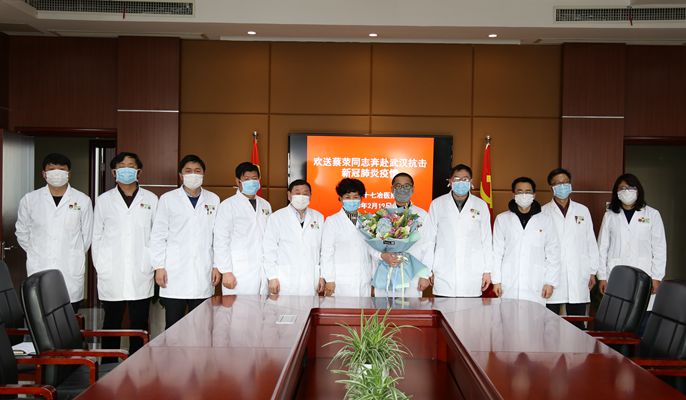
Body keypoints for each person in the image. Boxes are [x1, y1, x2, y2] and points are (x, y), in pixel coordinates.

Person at [92, 152, 157, 358]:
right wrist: (102, 265)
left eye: (131, 166)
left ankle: (138, 362)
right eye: (122, 166)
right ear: (114, 172)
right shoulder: (104, 200)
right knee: (112, 321)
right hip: (113, 269)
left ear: (139, 171)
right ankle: (108, 364)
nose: (126, 169)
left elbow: (157, 235)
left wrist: (154, 264)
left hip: (141, 269)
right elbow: (96, 235)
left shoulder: (151, 199)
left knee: (139, 322)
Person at [150, 155, 221, 329]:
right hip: (174, 273)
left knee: (202, 327)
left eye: (197, 171)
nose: (193, 174)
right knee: (173, 327)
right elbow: (158, 235)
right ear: (181, 175)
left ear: (203, 174)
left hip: (203, 272)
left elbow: (218, 237)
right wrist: (159, 267)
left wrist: (217, 266)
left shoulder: (213, 199)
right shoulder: (167, 199)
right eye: (188, 171)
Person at [16, 153, 93, 312]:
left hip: (70, 269)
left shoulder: (83, 200)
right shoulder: (30, 200)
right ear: (44, 174)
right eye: (51, 169)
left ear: (69, 173)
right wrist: (37, 251)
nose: (56, 173)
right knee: (40, 315)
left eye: (61, 169)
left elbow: (87, 236)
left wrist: (72, 251)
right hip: (39, 265)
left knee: (68, 316)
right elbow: (22, 233)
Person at [422, 164, 492, 297]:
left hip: (472, 274)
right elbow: (429, 240)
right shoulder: (437, 204)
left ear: (471, 182)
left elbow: (487, 240)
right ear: (450, 181)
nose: (461, 182)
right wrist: (427, 271)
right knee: (443, 308)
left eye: (465, 179)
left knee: (470, 310)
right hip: (443, 272)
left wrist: (487, 270)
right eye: (457, 179)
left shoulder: (480, 205)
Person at [597, 173, 666, 304]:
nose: (626, 191)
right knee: (617, 310)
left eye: (630, 188)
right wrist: (602, 277)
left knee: (641, 310)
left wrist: (657, 277)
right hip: (615, 274)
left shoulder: (652, 214)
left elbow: (659, 248)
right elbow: (602, 247)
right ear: (616, 192)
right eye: (622, 188)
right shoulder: (610, 216)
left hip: (644, 273)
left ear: (638, 190)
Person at [541, 168, 600, 322]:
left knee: (577, 322)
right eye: (558, 183)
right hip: (551, 275)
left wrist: (592, 271)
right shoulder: (542, 212)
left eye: (566, 182)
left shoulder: (582, 210)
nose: (563, 186)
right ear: (551, 187)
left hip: (578, 273)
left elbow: (590, 241)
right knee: (550, 323)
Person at [493, 177, 560, 305]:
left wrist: (550, 282)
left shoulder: (546, 220)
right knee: (508, 315)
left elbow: (553, 253)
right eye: (520, 191)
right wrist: (496, 281)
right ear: (513, 194)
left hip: (536, 283)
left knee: (535, 316)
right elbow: (497, 252)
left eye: (528, 192)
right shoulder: (502, 219)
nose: (524, 195)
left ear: (534, 195)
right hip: (509, 282)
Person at [214, 162, 272, 295]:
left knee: (262, 306)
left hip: (262, 269)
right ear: (238, 181)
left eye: (254, 178)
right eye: (246, 179)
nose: (251, 182)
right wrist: (226, 271)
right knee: (238, 307)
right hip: (238, 270)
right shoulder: (228, 205)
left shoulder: (265, 205)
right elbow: (221, 240)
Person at [262, 179, 325, 296]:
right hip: (284, 279)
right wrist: (272, 276)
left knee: (309, 306)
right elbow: (269, 249)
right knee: (285, 307)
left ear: (310, 196)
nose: (301, 196)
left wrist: (322, 276)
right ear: (289, 195)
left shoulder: (319, 217)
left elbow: (323, 250)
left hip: (310, 279)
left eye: (305, 193)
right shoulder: (277, 217)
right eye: (297, 193)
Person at [373, 172, 431, 298]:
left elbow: (429, 246)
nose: (402, 190)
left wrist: (425, 275)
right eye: (398, 186)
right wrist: (382, 256)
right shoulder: (382, 214)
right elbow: (371, 244)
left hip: (412, 274)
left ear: (413, 189)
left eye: (406, 186)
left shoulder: (422, 216)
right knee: (383, 308)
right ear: (392, 189)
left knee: (411, 309)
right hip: (386, 270)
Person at [321, 178, 376, 297]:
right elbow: (327, 252)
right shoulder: (332, 221)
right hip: (340, 281)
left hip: (364, 278)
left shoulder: (368, 221)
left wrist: (374, 278)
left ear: (361, 199)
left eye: (356, 197)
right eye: (347, 197)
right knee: (341, 308)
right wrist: (329, 279)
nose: (352, 200)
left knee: (363, 308)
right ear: (340, 198)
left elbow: (373, 251)